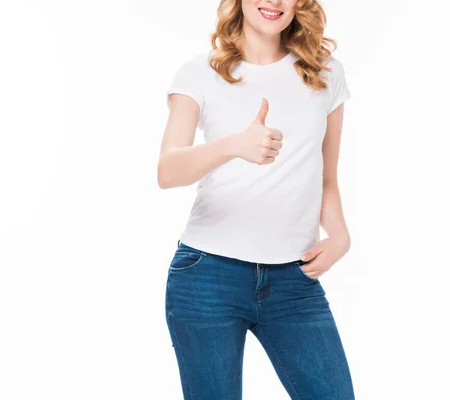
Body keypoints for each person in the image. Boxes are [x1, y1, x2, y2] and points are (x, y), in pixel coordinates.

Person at [158, 0, 354, 398]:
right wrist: (234, 146)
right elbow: (167, 171)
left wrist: (340, 236)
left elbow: (326, 178)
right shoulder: (201, 73)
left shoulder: (325, 74)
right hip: (208, 277)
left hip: (294, 281)